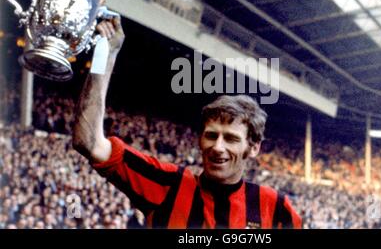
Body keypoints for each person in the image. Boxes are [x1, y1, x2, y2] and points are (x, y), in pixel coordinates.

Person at [72, 16, 302, 229]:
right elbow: (89, 142)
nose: (217, 146)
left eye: (231, 138)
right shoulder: (166, 184)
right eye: (211, 135)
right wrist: (106, 54)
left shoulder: (276, 208)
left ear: (252, 148)